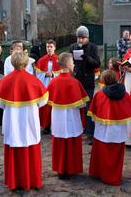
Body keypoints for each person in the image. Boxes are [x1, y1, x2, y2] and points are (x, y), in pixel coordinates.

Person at [0, 50, 48, 190]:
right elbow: (43, 101)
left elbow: (0, 104)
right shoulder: (34, 81)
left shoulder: (5, 81)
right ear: (27, 62)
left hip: (12, 121)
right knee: (31, 148)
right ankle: (33, 181)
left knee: (14, 150)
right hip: (30, 121)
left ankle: (15, 182)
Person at [88, 69, 131, 186]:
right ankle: (114, 177)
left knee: (102, 154)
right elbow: (130, 112)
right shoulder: (125, 94)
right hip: (119, 133)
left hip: (103, 132)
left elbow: (93, 114)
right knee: (116, 157)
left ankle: (100, 174)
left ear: (104, 81)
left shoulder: (100, 94)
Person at [47, 52, 89, 180]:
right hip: (71, 118)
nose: (74, 64)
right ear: (68, 64)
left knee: (59, 143)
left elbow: (47, 102)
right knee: (72, 143)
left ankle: (61, 169)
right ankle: (71, 168)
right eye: (73, 62)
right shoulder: (74, 82)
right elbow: (81, 105)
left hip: (58, 118)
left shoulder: (53, 82)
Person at [69, 25, 101, 144]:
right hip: (76, 80)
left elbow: (97, 63)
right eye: (78, 37)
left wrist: (86, 58)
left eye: (82, 38)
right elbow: (69, 60)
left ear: (87, 38)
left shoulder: (93, 47)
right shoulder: (72, 46)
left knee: (88, 107)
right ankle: (78, 129)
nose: (80, 40)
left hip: (88, 81)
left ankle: (90, 132)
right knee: (76, 107)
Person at [35, 39, 60, 134]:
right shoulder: (41, 60)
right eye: (47, 47)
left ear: (55, 48)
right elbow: (37, 75)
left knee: (54, 106)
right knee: (45, 107)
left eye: (51, 47)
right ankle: (46, 126)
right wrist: (45, 74)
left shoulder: (59, 60)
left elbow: (62, 73)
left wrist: (53, 74)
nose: (49, 49)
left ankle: (55, 125)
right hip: (45, 86)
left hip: (55, 87)